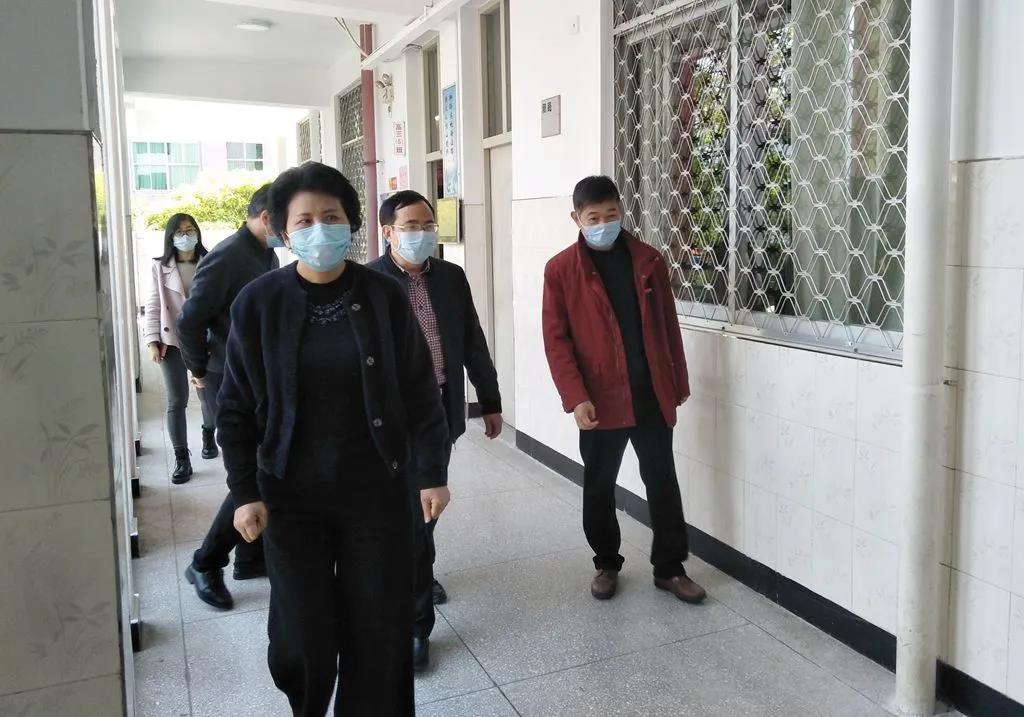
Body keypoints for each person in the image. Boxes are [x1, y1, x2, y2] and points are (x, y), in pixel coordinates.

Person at [219, 162, 450, 716]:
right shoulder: (258, 302)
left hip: (376, 489)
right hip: (291, 495)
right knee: (301, 637)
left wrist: (431, 472)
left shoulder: (384, 295)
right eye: (305, 220)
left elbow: (421, 390)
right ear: (282, 230)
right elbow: (235, 405)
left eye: (332, 216)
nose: (319, 229)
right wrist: (244, 490)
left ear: (352, 224)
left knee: (379, 626)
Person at [541, 175, 706, 604]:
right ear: (576, 218)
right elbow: (556, 340)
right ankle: (606, 563)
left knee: (662, 481)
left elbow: (668, 326)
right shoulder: (561, 270)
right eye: (593, 217)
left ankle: (670, 568)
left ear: (621, 211)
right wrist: (575, 396)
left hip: (650, 393)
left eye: (611, 214)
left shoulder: (649, 260)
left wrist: (678, 381)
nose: (603, 224)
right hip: (599, 399)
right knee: (599, 484)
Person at [367, 190, 502, 673]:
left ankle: (416, 566)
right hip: (389, 417)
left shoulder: (450, 277)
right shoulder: (368, 283)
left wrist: (489, 399)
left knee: (426, 507)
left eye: (428, 225)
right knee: (410, 512)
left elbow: (471, 339)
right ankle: (415, 624)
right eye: (411, 226)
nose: (422, 233)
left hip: (439, 412)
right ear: (388, 231)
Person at [177, 185, 278, 609]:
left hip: (260, 376)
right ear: (268, 217)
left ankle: (250, 557)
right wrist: (199, 368)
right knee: (252, 472)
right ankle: (206, 562)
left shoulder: (264, 253)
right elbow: (189, 319)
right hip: (228, 376)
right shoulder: (229, 255)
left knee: (263, 465)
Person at [143, 214, 211, 483]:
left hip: (205, 341)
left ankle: (209, 434)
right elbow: (153, 304)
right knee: (176, 400)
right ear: (171, 237)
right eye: (180, 232)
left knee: (208, 397)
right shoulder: (160, 267)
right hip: (171, 341)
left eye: (190, 230)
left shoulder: (212, 261)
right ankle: (182, 458)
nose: (186, 236)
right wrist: (152, 340)